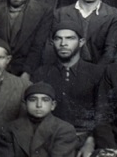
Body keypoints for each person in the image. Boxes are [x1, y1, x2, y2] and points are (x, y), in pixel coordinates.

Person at [32, 22, 104, 157]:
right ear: (52, 42)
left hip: (85, 139)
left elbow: (103, 114)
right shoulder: (41, 73)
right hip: (50, 139)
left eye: (70, 38)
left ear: (81, 42)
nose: (63, 43)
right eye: (58, 38)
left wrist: (91, 141)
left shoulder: (97, 73)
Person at [0, 82, 79, 157]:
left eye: (45, 100)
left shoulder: (65, 130)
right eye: (33, 100)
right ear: (25, 104)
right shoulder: (9, 129)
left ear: (53, 105)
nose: (39, 105)